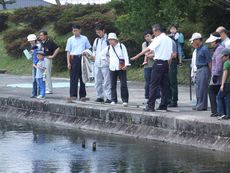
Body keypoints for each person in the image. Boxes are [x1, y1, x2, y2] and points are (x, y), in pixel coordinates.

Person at [132, 24, 173, 112]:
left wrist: (138, 55)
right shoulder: (169, 40)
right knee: (164, 86)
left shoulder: (158, 39)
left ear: (157, 30)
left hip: (158, 63)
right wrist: (168, 66)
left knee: (153, 85)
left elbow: (148, 48)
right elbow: (170, 55)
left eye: (154, 31)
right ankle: (163, 105)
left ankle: (150, 106)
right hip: (166, 63)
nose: (153, 33)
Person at [101, 33, 130, 107]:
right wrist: (108, 61)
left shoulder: (121, 46)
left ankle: (125, 100)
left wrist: (126, 64)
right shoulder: (108, 47)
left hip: (121, 67)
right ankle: (113, 99)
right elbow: (102, 55)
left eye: (111, 40)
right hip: (112, 68)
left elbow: (125, 55)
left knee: (123, 84)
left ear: (115, 39)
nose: (110, 41)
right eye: (109, 40)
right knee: (112, 84)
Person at [65, 24, 91, 101]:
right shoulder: (70, 39)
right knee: (73, 78)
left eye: (76, 30)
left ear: (80, 30)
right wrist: (68, 63)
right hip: (73, 59)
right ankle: (73, 95)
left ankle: (83, 95)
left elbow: (88, 49)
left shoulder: (84, 38)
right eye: (73, 31)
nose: (75, 32)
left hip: (82, 58)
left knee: (83, 76)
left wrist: (86, 55)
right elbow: (68, 52)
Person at [190, 32, 211, 111]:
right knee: (198, 88)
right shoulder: (198, 49)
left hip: (203, 68)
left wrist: (211, 73)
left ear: (198, 40)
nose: (193, 42)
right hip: (198, 69)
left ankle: (202, 105)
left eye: (194, 40)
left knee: (202, 88)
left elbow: (209, 61)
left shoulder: (204, 49)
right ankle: (199, 104)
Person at [205, 32, 224, 117]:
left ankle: (215, 111)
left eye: (212, 42)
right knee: (216, 93)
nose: (211, 43)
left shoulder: (219, 49)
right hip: (217, 76)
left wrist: (215, 75)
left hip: (218, 76)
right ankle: (217, 111)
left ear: (216, 41)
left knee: (212, 91)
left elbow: (219, 64)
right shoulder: (218, 49)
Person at [92, 23, 111, 103]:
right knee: (97, 82)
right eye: (97, 32)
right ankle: (99, 96)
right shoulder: (96, 40)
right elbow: (94, 51)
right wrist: (91, 56)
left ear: (103, 30)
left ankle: (109, 97)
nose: (98, 34)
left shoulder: (108, 40)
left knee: (107, 81)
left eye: (99, 32)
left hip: (106, 64)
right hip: (97, 64)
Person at [216, 48, 230, 120]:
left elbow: (225, 74)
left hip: (227, 83)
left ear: (227, 56)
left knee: (218, 97)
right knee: (228, 98)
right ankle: (228, 114)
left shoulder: (226, 63)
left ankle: (221, 113)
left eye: (223, 56)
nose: (222, 58)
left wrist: (222, 84)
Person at [27, 34, 41, 98]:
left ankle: (39, 94)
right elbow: (32, 54)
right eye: (30, 41)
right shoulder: (33, 45)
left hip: (39, 64)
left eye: (32, 41)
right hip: (34, 64)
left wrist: (32, 50)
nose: (31, 42)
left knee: (39, 79)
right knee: (34, 80)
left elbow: (36, 47)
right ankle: (34, 93)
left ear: (35, 40)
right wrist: (30, 53)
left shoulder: (39, 45)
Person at [168, 36, 178, 107]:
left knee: (172, 82)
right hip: (167, 63)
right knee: (168, 83)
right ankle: (169, 99)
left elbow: (174, 55)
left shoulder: (171, 42)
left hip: (172, 63)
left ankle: (174, 100)